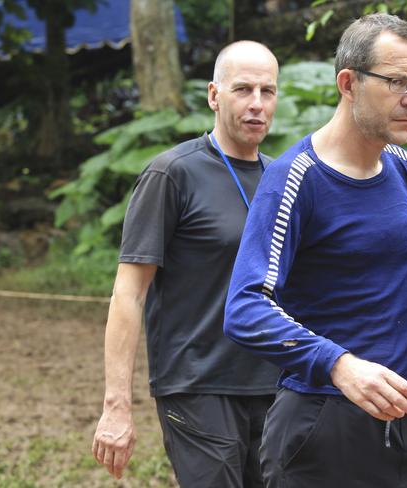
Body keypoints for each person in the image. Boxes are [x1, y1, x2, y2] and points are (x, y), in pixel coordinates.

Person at [224, 14, 407, 487]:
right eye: (398, 81)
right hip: (319, 431)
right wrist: (340, 366)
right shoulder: (296, 179)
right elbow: (244, 307)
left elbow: (392, 281)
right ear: (348, 82)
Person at [91, 40, 281, 487]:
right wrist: (116, 405)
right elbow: (128, 292)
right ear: (214, 95)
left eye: (267, 91)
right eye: (243, 90)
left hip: (276, 386)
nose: (256, 104)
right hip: (197, 386)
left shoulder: (282, 178)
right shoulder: (172, 174)